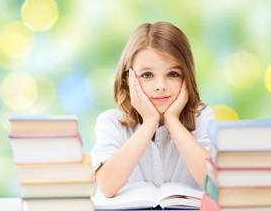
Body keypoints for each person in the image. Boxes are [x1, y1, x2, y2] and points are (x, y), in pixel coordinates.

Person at [91, 21, 215, 198]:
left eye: (173, 74)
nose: (160, 86)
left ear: (187, 77)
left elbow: (213, 182)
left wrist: (172, 121)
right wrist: (150, 122)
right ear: (129, 78)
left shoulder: (202, 117)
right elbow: (107, 186)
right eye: (147, 75)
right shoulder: (111, 122)